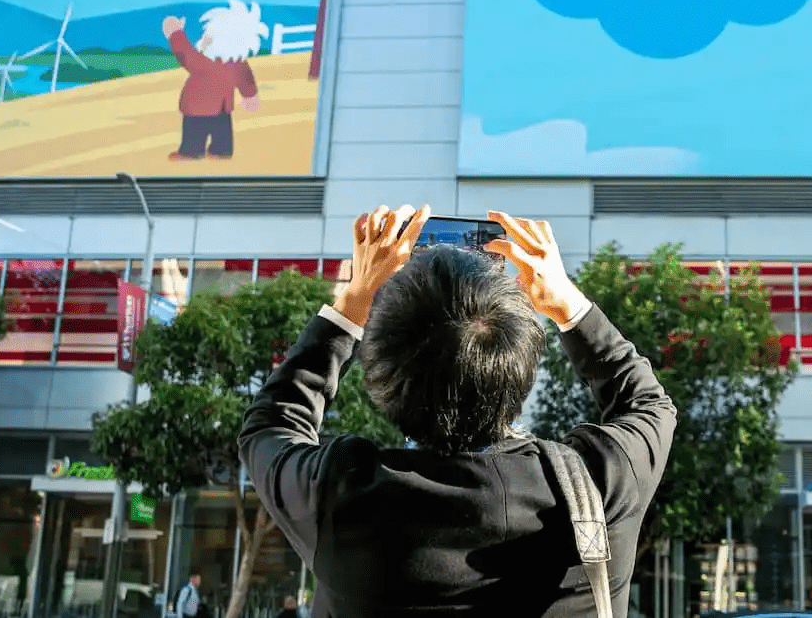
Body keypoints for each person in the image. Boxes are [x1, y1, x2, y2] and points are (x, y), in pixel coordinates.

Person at [240, 205, 678, 617]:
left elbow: (271, 423)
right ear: (522, 363)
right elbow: (648, 403)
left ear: (381, 374)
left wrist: (354, 300)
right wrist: (567, 303)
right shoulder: (598, 483)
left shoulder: (337, 493)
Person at [161, 0, 263, 161]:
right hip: (223, 108)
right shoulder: (237, 64)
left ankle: (193, 152)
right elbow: (246, 81)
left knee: (195, 135)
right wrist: (250, 96)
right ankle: (221, 151)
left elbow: (184, 52)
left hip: (197, 109)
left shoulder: (203, 61)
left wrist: (175, 33)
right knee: (222, 133)